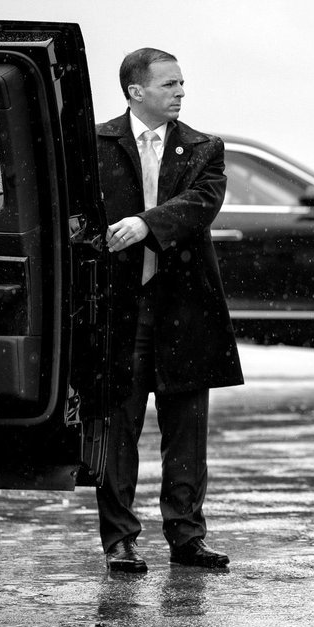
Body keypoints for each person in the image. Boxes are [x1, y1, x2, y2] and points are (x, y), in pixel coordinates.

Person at [96, 48, 244, 572]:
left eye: (183, 83)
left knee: (187, 430)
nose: (181, 91)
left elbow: (203, 203)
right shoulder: (96, 144)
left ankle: (187, 536)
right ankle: (119, 539)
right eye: (169, 84)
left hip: (184, 308)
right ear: (136, 92)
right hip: (121, 308)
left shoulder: (204, 148)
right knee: (119, 428)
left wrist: (146, 224)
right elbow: (76, 216)